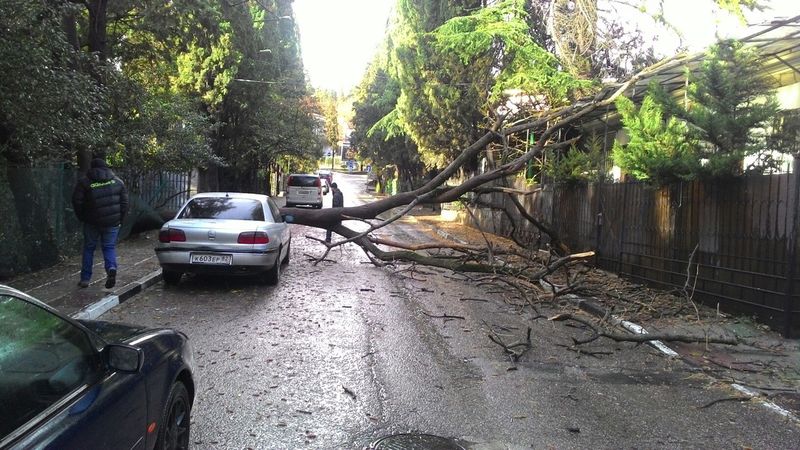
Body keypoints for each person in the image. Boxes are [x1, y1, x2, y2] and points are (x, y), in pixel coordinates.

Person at [72, 157, 129, 289]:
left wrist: (82, 217)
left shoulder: (84, 183)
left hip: (91, 222)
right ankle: (111, 268)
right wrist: (120, 220)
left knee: (89, 248)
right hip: (112, 222)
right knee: (109, 247)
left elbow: (77, 201)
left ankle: (85, 279)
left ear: (92, 168)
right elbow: (125, 203)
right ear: (106, 167)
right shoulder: (117, 182)